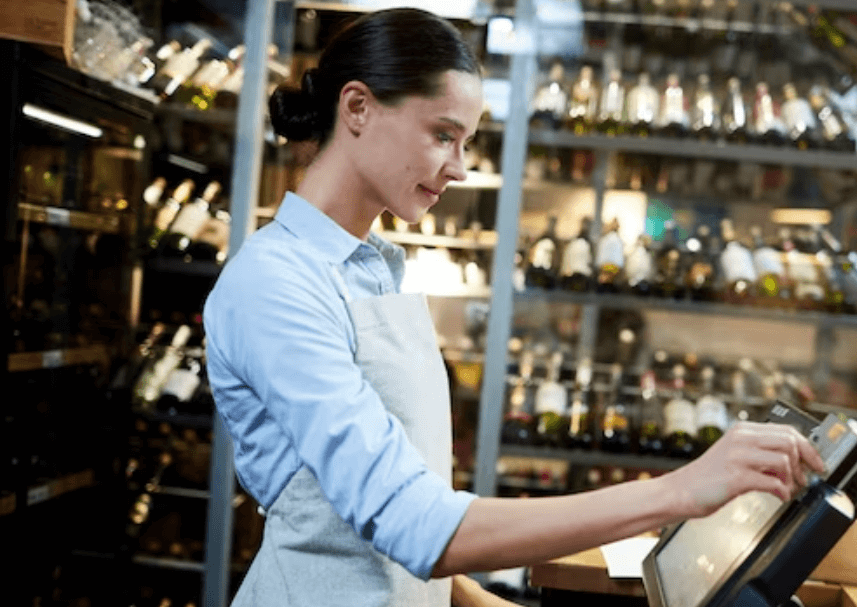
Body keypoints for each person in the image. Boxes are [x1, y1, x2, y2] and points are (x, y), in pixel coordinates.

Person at [202, 8, 825, 607]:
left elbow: (359, 509)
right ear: (358, 107)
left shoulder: (373, 270)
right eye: (444, 135)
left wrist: (474, 599)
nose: (460, 168)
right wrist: (680, 491)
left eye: (467, 141)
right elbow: (410, 522)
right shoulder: (275, 285)